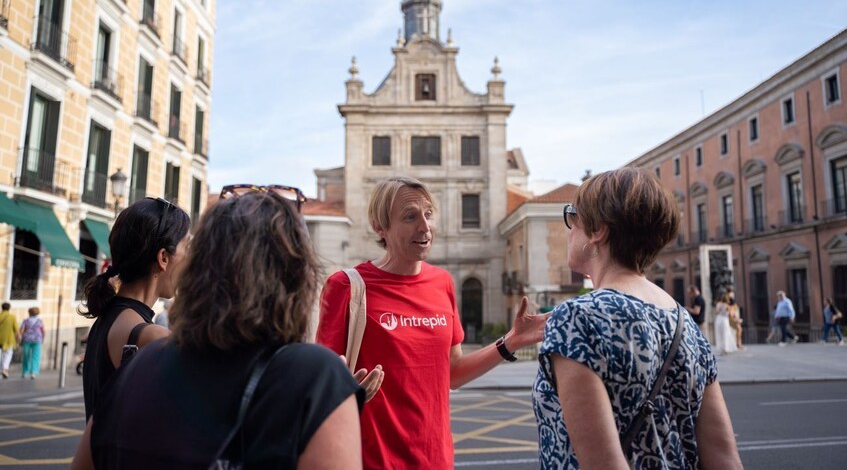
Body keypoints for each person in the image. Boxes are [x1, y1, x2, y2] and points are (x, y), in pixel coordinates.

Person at [71, 186, 363, 469]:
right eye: (186, 246)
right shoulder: (318, 379)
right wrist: (336, 403)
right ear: (296, 275)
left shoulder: (138, 362)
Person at [316, 176, 548, 469]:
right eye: (410, 216)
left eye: (428, 214)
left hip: (435, 458)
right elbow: (319, 384)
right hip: (371, 460)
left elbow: (453, 372)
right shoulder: (347, 287)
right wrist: (346, 391)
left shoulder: (442, 283)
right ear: (380, 227)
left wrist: (510, 341)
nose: (425, 227)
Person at [533, 168, 741, 469]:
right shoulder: (684, 323)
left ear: (598, 231)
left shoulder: (578, 318)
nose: (569, 230)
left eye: (573, 218)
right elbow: (725, 459)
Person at [78, 197, 190, 420]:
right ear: (163, 258)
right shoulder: (152, 337)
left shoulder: (106, 319)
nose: (191, 258)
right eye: (187, 247)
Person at [19, 307, 44, 379]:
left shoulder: (26, 321)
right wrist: (42, 338)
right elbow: (43, 331)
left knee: (26, 356)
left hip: (27, 339)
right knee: (35, 357)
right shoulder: (40, 321)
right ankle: (33, 373)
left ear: (29, 313)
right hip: (37, 340)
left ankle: (24, 372)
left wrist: (22, 336)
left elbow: (21, 331)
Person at [0, 302, 19, 379]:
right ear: (9, 308)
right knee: (7, 355)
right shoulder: (12, 317)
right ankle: (4, 369)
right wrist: (18, 338)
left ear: (2, 308)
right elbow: (16, 330)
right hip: (9, 339)